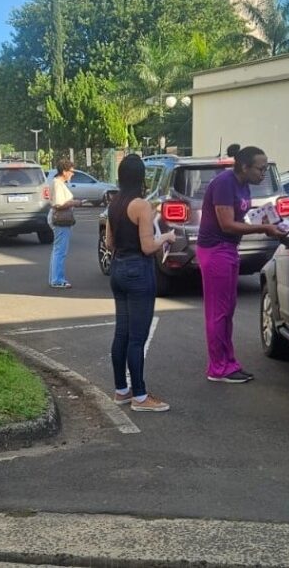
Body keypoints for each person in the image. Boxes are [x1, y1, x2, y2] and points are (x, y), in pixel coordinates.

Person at [197, 145, 284, 384]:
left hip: (229, 249)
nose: (263, 173)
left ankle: (229, 363)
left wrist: (267, 218)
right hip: (216, 251)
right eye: (260, 168)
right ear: (244, 166)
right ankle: (217, 367)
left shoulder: (243, 184)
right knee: (218, 312)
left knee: (228, 311)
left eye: (266, 168)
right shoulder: (225, 183)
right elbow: (227, 224)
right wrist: (264, 227)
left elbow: (240, 216)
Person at [105, 154, 176, 412]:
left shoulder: (114, 203)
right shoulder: (141, 205)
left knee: (122, 333)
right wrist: (166, 236)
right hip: (138, 271)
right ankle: (141, 396)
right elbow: (148, 247)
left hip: (118, 269)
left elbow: (110, 243)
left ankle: (121, 391)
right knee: (138, 337)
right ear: (141, 177)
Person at [47, 157, 80, 289]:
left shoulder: (57, 183)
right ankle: (57, 279)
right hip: (60, 219)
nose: (72, 174)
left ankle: (54, 278)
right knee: (60, 251)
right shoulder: (57, 183)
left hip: (59, 218)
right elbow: (59, 204)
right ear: (64, 171)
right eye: (71, 171)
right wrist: (75, 202)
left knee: (57, 250)